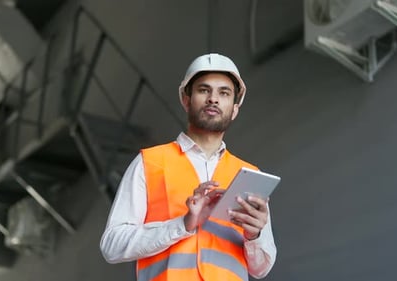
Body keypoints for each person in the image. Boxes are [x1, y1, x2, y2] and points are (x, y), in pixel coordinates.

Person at [100, 53, 276, 281]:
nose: (213, 99)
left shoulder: (250, 175)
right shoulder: (149, 162)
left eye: (224, 93)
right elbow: (112, 245)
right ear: (186, 99)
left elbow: (261, 269)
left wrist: (255, 235)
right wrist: (183, 224)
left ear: (234, 109)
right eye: (204, 90)